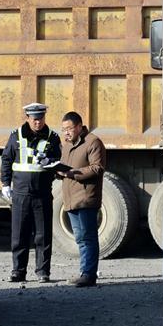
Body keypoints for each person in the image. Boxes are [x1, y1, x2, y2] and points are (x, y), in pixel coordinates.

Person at [0, 102, 63, 283]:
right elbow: (6, 160)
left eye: (41, 119)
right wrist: (5, 183)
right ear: (28, 118)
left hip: (42, 193)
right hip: (20, 193)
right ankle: (18, 271)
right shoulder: (16, 136)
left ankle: (43, 272)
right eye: (35, 119)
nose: (38, 123)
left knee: (43, 235)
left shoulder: (53, 137)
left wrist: (49, 160)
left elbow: (59, 161)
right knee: (19, 234)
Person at [57, 111, 106, 287]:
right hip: (71, 200)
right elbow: (65, 169)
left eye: (69, 129)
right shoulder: (67, 146)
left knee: (88, 237)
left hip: (86, 198)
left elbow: (97, 168)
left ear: (79, 126)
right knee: (80, 238)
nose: (66, 133)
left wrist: (70, 173)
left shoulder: (92, 142)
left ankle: (89, 275)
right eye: (63, 130)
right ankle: (84, 272)